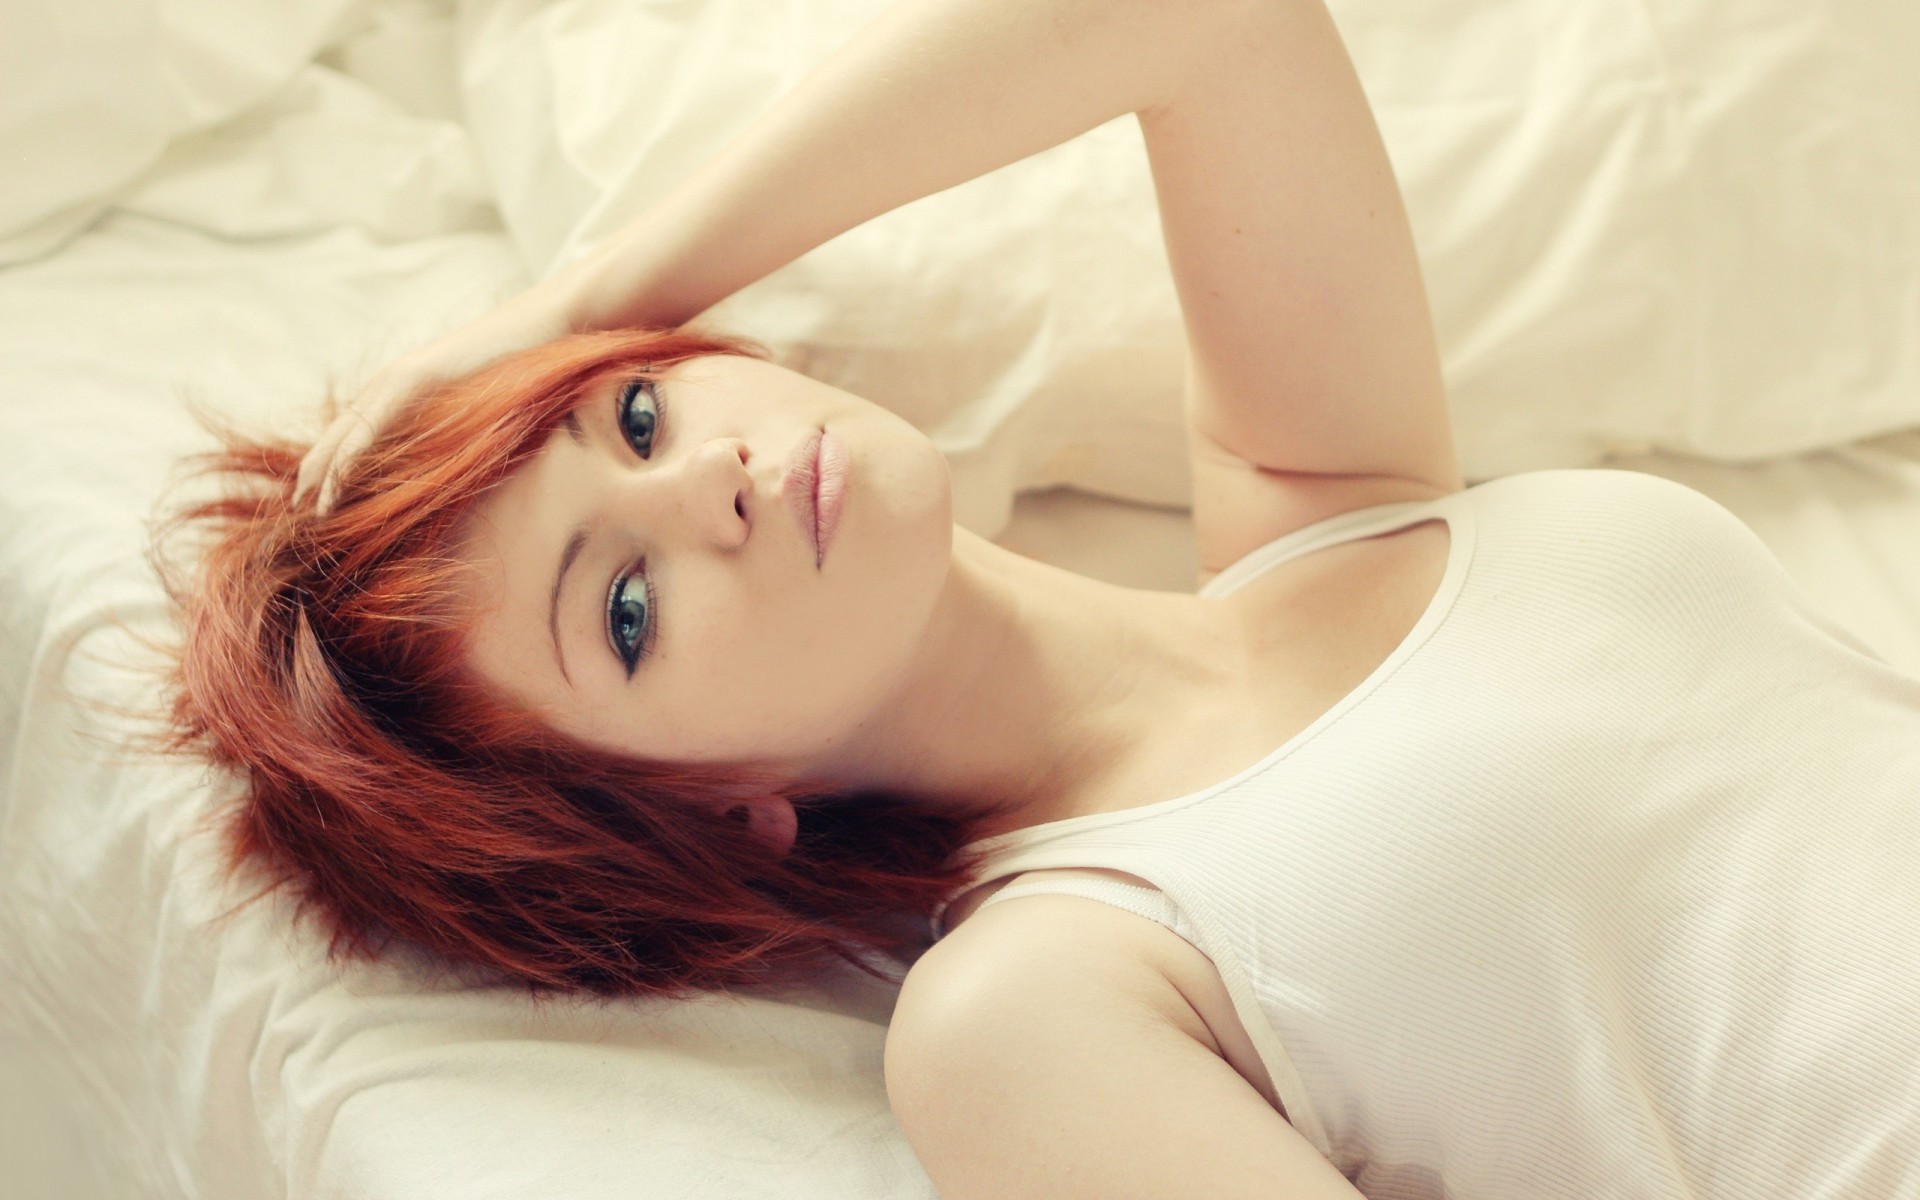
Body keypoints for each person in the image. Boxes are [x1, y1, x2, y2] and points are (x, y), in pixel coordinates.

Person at [163, 0, 1920, 1195]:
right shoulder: (1037, 999)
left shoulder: (1343, 500)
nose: (706, 482)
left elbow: (1206, 23)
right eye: (624, 609)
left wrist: (585, 296)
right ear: (704, 813)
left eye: (633, 415)